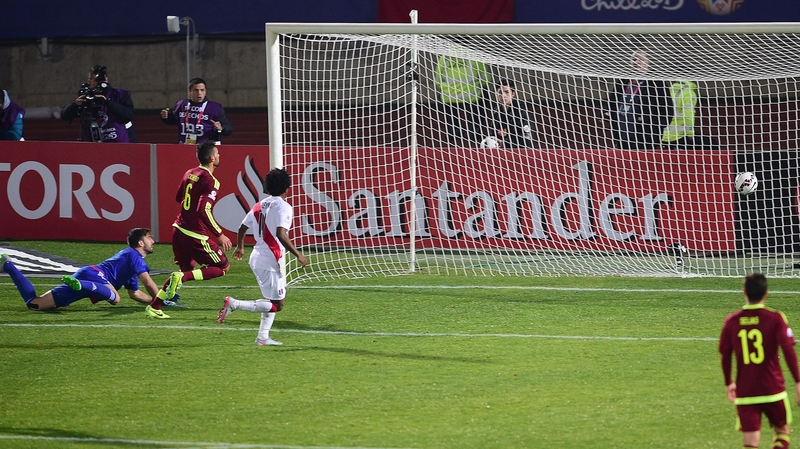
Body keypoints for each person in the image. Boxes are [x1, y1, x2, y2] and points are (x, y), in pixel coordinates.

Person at [217, 167, 308, 346]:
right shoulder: (284, 207)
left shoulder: (259, 205)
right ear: (287, 189)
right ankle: (234, 304)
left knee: (271, 300)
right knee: (278, 305)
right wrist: (298, 254)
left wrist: (241, 247)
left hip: (259, 257)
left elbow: (242, 228)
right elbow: (281, 234)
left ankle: (262, 337)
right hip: (268, 260)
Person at [145, 141, 232, 319]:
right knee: (223, 267)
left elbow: (179, 197)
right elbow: (203, 210)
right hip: (194, 233)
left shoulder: (189, 173)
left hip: (178, 229)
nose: (219, 156)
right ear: (211, 158)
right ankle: (179, 280)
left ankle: (155, 306)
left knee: (186, 268)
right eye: (218, 153)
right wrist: (220, 235)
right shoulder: (211, 181)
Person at [719, 272, 800, 449]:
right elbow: (788, 350)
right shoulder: (776, 318)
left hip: (746, 391)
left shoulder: (732, 321)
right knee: (782, 433)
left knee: (750, 444)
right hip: (773, 389)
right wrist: (798, 381)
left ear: (744, 293)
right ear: (766, 293)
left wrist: (728, 382)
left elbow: (725, 355)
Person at [0, 228, 160, 311]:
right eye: (149, 237)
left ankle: (8, 265)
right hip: (93, 276)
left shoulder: (131, 261)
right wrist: (161, 300)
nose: (152, 241)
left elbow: (135, 294)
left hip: (86, 277)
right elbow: (148, 282)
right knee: (115, 299)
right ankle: (81, 284)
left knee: (34, 304)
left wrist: (154, 301)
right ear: (140, 243)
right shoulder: (134, 256)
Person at [607, 50, 670, 150]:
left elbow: (667, 110)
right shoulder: (622, 82)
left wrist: (652, 126)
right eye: (634, 59)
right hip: (621, 137)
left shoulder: (657, 84)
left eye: (640, 59)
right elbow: (611, 103)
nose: (637, 62)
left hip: (645, 139)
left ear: (648, 63)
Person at [60, 65, 136, 143]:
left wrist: (107, 103)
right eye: (93, 79)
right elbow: (64, 116)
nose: (98, 82)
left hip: (120, 143)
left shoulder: (119, 94)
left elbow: (128, 115)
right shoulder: (88, 97)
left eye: (100, 79)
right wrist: (76, 105)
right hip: (96, 146)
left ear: (106, 79)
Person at [434, 50, 491, 148]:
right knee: (480, 103)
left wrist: (445, 88)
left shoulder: (444, 58)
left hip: (449, 95)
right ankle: (473, 131)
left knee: (450, 110)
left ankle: (453, 132)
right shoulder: (473, 55)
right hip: (470, 95)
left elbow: (437, 78)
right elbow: (485, 77)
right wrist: (480, 85)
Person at [160, 77, 232, 145]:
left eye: (202, 90)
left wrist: (221, 128)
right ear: (189, 91)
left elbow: (228, 129)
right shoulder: (181, 104)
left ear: (206, 91)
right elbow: (173, 120)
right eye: (196, 90)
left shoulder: (215, 108)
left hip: (206, 148)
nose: (199, 93)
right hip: (185, 145)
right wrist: (166, 117)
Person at [483, 79, 535, 149]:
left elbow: (527, 137)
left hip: (521, 151)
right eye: (500, 92)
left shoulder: (520, 111)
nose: (503, 95)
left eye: (507, 92)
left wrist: (505, 143)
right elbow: (493, 133)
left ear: (513, 94)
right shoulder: (496, 112)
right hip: (502, 152)